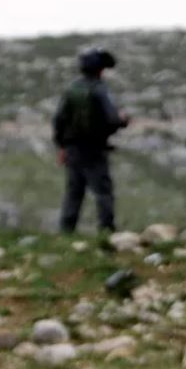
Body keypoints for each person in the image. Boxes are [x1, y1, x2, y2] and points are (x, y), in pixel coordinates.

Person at [53, 47, 128, 233]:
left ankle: (66, 231)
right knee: (103, 192)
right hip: (95, 150)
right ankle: (106, 230)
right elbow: (112, 119)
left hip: (72, 150)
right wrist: (123, 120)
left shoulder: (71, 89)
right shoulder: (99, 89)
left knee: (73, 192)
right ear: (100, 69)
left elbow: (59, 120)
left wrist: (61, 146)